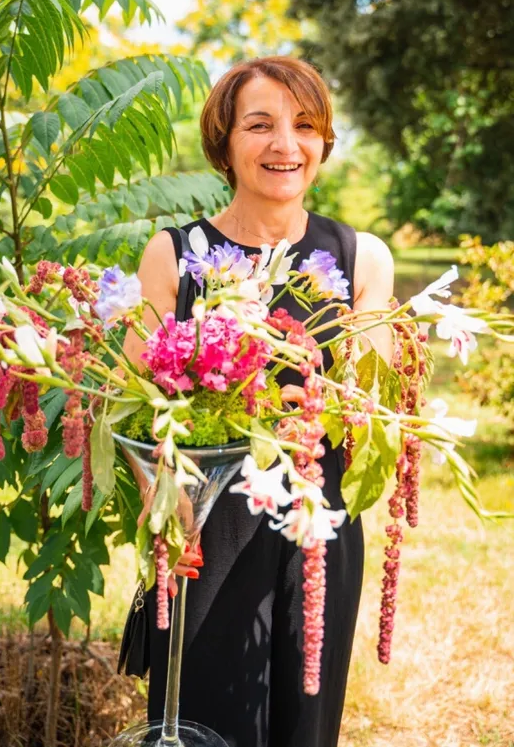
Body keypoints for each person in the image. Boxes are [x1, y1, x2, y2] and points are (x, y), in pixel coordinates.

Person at [123, 56, 394, 747]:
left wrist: (345, 405)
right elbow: (130, 405)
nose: (285, 144)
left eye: (304, 125)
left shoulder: (361, 257)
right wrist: (161, 496)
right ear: (224, 141)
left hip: (316, 525)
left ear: (324, 141)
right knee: (202, 721)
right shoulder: (174, 254)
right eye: (260, 124)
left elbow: (371, 404)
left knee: (305, 726)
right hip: (207, 528)